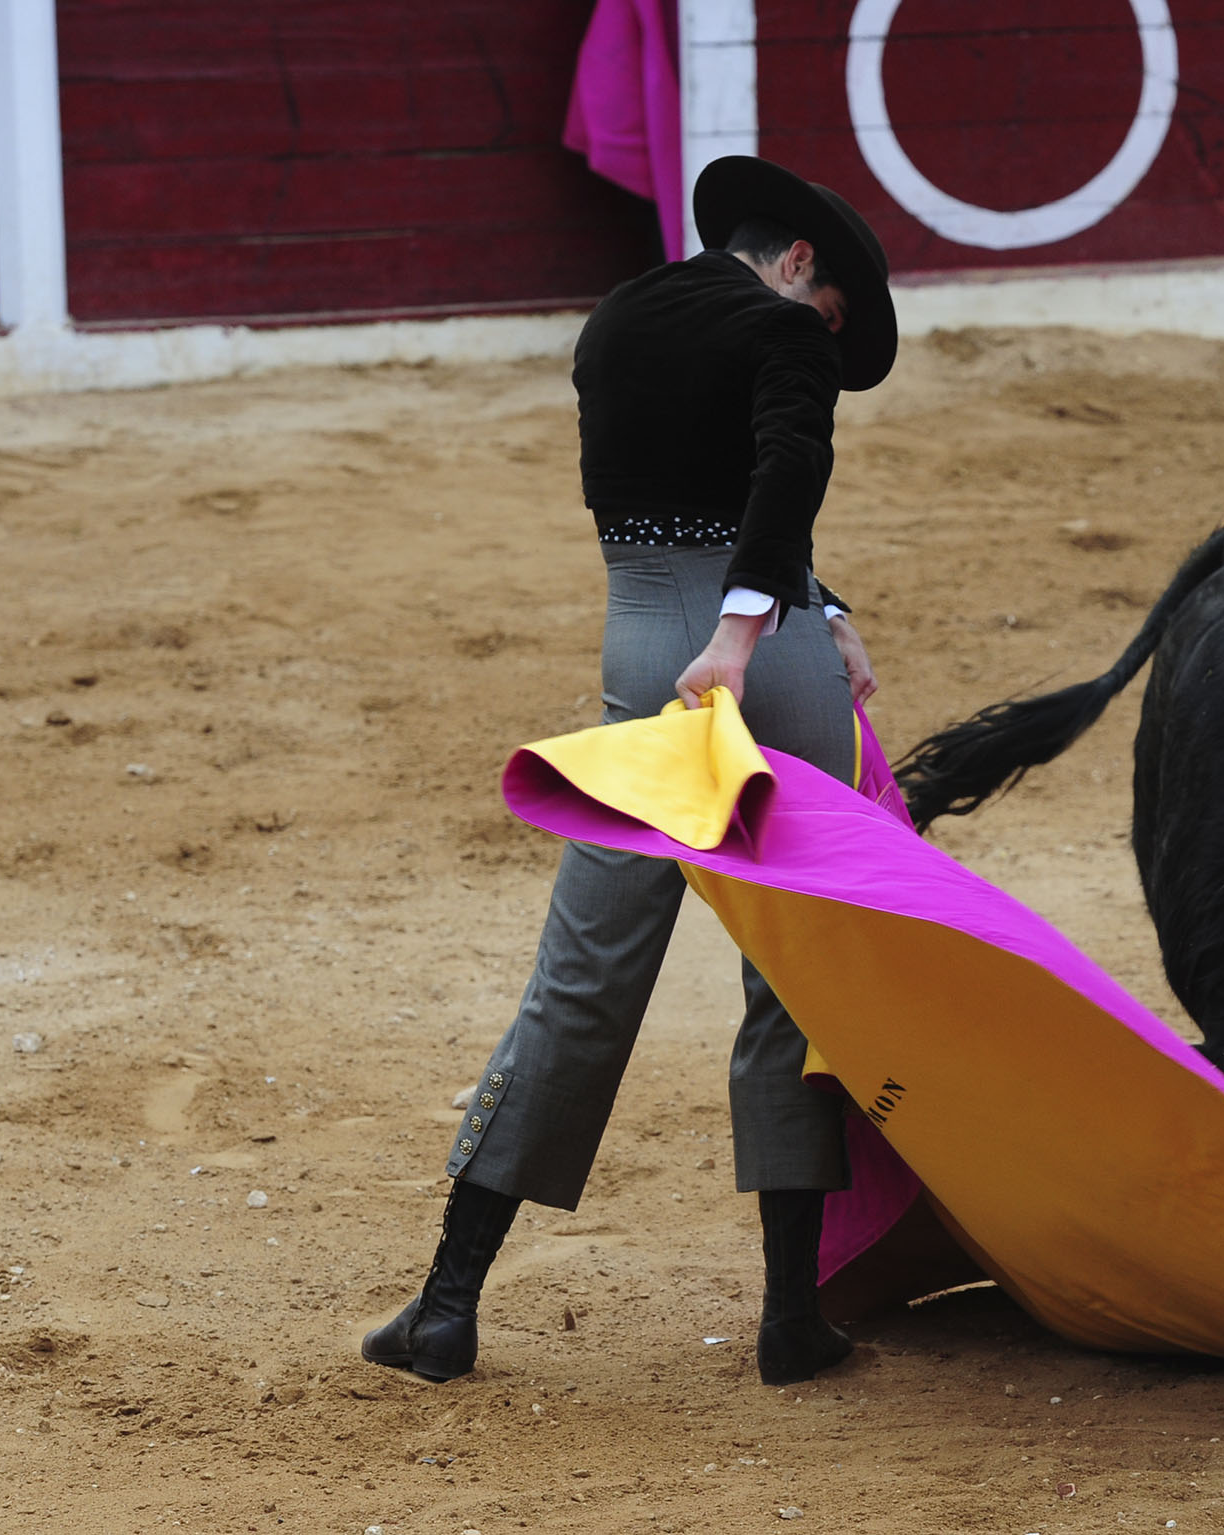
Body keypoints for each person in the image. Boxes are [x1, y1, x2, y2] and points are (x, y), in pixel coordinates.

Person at [362, 156, 898, 1388]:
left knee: (584, 976)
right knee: (795, 979)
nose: (817, 339)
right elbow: (781, 469)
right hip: (769, 666)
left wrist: (809, 602)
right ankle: (787, 1321)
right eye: (825, 316)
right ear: (799, 262)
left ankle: (445, 1307)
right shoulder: (782, 332)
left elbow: (700, 486)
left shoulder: (615, 322)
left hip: (651, 654)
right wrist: (770, 624)